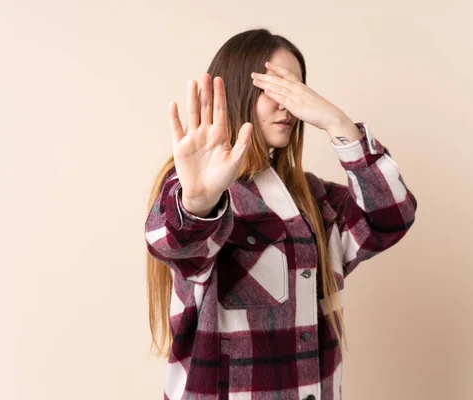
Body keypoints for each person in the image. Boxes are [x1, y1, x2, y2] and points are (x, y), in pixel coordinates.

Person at [145, 28, 417, 400]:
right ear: (240, 90)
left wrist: (338, 124)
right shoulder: (197, 189)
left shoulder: (314, 199)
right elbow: (173, 244)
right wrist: (197, 203)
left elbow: (392, 216)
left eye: (296, 90)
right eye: (274, 88)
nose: (287, 105)